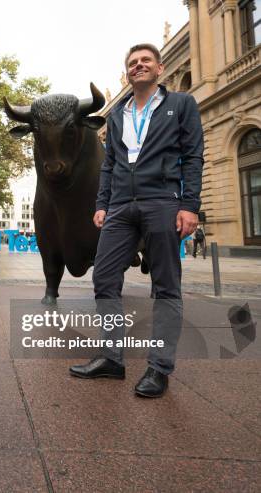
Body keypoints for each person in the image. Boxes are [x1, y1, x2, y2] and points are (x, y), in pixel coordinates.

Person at [69, 43, 204, 397]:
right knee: (104, 277)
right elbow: (110, 164)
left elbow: (193, 156)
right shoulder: (118, 116)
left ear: (159, 69)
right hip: (120, 207)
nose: (138, 65)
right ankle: (112, 359)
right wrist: (102, 203)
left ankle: (159, 367)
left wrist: (190, 205)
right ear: (127, 73)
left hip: (163, 202)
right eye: (132, 63)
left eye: (145, 61)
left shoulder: (181, 105)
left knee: (165, 287)